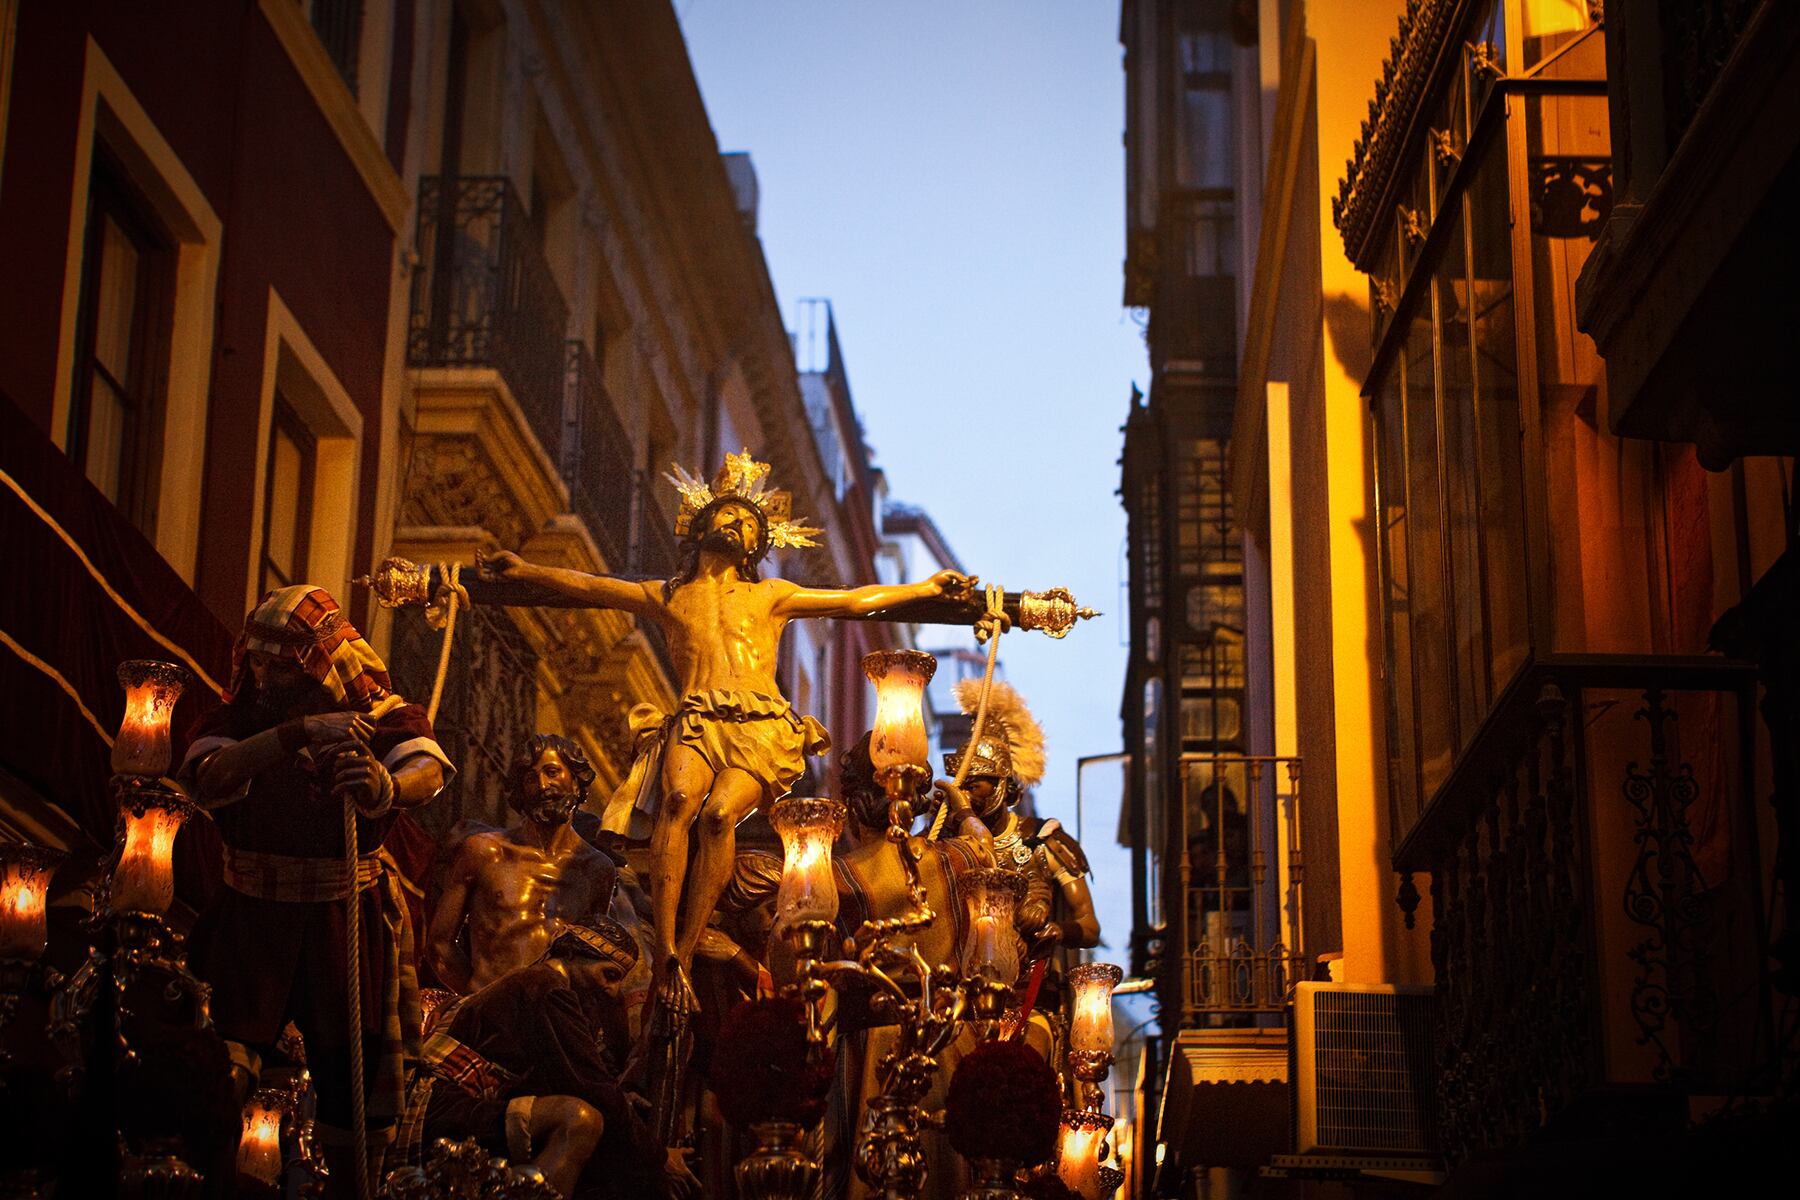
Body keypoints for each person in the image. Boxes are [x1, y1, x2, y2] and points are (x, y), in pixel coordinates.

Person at [479, 449, 972, 1011]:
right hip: (696, 717)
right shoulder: (669, 595)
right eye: (728, 515)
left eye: (748, 523)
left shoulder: (769, 596)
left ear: (758, 546)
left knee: (718, 815)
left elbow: (853, 601)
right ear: (702, 525)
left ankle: (686, 952)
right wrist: (527, 571)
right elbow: (592, 586)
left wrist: (924, 591)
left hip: (759, 724)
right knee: (679, 802)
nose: (737, 524)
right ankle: (666, 947)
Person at [180, 585, 453, 1179]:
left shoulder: (381, 716)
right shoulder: (236, 717)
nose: (266, 676)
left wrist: (385, 786)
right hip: (250, 915)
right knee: (221, 1061)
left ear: (321, 663)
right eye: (257, 662)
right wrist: (298, 732)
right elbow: (209, 777)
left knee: (354, 1084)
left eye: (283, 665)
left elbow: (427, 768)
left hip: (344, 916)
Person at [410, 921, 697, 1199]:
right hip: (440, 1105)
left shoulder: (539, 984)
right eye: (608, 974)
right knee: (579, 1121)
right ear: (572, 953)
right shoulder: (548, 988)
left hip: (455, 1101)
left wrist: (622, 1103)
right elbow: (593, 1087)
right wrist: (658, 1157)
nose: (612, 990)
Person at [429, 733, 618, 992]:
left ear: (576, 781)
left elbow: (592, 960)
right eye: (530, 778)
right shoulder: (485, 852)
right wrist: (479, 999)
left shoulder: (597, 870)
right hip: (488, 1007)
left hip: (557, 1011)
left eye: (552, 772)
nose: (542, 785)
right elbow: (439, 945)